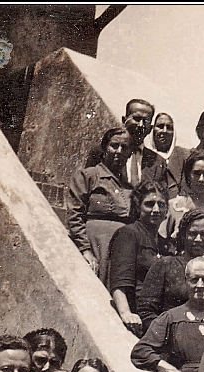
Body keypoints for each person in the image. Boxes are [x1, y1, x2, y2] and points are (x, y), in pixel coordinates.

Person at [131, 256, 204, 372]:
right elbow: (141, 352)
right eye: (194, 280)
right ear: (186, 281)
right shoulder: (171, 318)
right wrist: (172, 371)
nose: (200, 285)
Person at [68, 126, 135, 285]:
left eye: (124, 148)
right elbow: (75, 215)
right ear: (105, 148)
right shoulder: (88, 176)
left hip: (121, 249)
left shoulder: (130, 187)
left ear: (129, 154)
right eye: (114, 145)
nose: (119, 151)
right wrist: (85, 250)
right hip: (95, 245)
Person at [137, 209, 204, 329]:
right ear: (183, 235)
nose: (198, 239)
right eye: (192, 233)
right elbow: (146, 311)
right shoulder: (165, 265)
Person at [108, 180, 169, 336]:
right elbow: (119, 281)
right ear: (137, 206)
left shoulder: (165, 243)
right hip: (138, 316)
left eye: (161, 205)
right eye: (149, 204)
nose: (156, 209)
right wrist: (126, 313)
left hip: (159, 316)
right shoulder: (129, 234)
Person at [85, 99, 165, 187]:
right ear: (124, 120)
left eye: (146, 121)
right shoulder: (101, 152)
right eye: (137, 119)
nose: (141, 125)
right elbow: (87, 184)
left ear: (150, 128)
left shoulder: (158, 161)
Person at [162, 150, 204, 251]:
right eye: (197, 173)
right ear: (189, 176)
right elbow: (161, 240)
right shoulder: (174, 207)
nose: (201, 179)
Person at [151, 111, 189, 198]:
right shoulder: (144, 157)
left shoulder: (184, 157)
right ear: (152, 130)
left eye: (169, 127)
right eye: (160, 126)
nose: (164, 131)